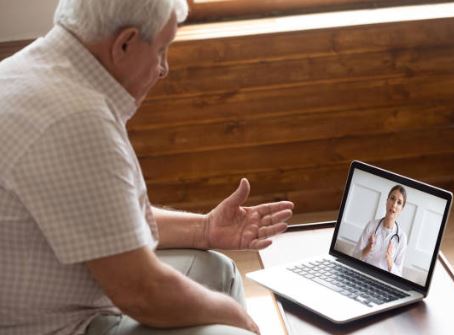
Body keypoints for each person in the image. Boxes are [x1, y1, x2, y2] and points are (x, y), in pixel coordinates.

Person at [0, 1, 294, 335]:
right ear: (125, 43)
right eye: (161, 50)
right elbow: (142, 292)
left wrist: (205, 229)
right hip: (57, 326)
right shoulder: (75, 118)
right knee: (232, 327)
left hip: (59, 298)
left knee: (217, 271)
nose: (163, 68)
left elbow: (107, 218)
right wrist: (241, 319)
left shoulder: (37, 68)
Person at [352, 185, 408, 275]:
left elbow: (399, 275)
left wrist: (390, 260)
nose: (394, 204)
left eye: (399, 202)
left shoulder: (402, 237)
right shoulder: (371, 225)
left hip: (383, 280)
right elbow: (354, 257)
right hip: (364, 273)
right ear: (386, 201)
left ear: (401, 209)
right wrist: (368, 247)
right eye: (392, 198)